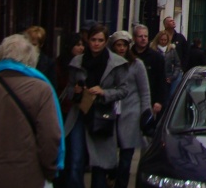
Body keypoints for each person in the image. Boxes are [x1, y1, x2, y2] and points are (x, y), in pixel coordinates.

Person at [0, 34, 64, 188]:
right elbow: (50, 136)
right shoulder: (41, 90)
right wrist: (50, 170)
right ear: (30, 59)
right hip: (27, 174)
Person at [62, 23, 129, 188]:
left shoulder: (116, 63)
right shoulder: (77, 61)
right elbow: (68, 89)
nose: (96, 43)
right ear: (88, 41)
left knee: (99, 163)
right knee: (76, 159)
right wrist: (76, 90)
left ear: (106, 42)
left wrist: (104, 92)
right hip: (80, 112)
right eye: (93, 40)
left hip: (101, 115)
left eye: (100, 40)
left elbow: (123, 90)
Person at [108, 31, 151, 188]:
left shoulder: (136, 65)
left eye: (124, 45)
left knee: (126, 158)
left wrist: (146, 114)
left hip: (131, 114)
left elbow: (144, 91)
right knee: (110, 156)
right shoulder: (110, 64)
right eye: (118, 45)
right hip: (111, 114)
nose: (121, 48)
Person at [131, 25, 166, 117]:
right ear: (134, 38)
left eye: (145, 36)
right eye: (140, 36)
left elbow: (161, 80)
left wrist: (159, 101)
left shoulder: (156, 58)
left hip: (151, 100)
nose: (143, 39)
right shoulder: (129, 56)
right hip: (131, 101)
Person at [25, 24, 60, 93]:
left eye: (34, 44)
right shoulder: (21, 60)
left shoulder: (49, 63)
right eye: (28, 44)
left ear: (41, 45)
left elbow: (52, 88)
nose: (30, 47)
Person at [152, 30, 182, 105]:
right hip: (156, 79)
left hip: (168, 78)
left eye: (165, 40)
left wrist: (173, 76)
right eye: (161, 40)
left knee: (167, 100)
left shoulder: (171, 50)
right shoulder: (153, 50)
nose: (163, 42)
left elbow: (177, 64)